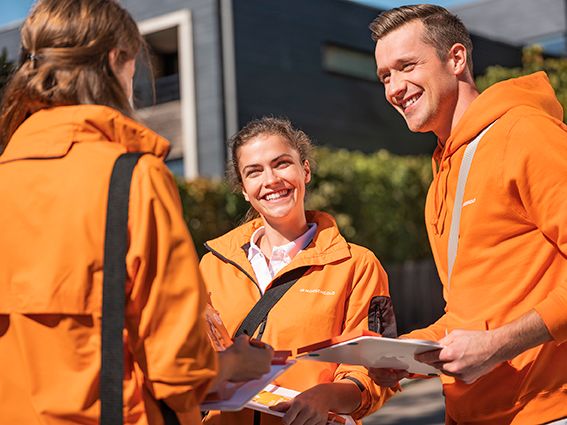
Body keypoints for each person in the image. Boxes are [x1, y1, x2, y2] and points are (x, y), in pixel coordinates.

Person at [0, 1, 272, 424]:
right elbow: (179, 369)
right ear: (115, 62)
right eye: (134, 66)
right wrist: (236, 363)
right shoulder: (132, 178)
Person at [369, 4, 567, 424]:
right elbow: (469, 315)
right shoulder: (442, 173)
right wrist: (406, 353)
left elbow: (494, 337)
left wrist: (502, 344)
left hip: (548, 409)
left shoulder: (525, 133)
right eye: (385, 76)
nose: (395, 88)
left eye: (407, 66)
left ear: (456, 59)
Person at [200, 117, 397, 425]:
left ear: (305, 170)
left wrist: (326, 396)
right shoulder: (211, 266)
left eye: (281, 164)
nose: (271, 180)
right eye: (254, 171)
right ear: (243, 189)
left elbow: (376, 372)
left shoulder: (357, 266)